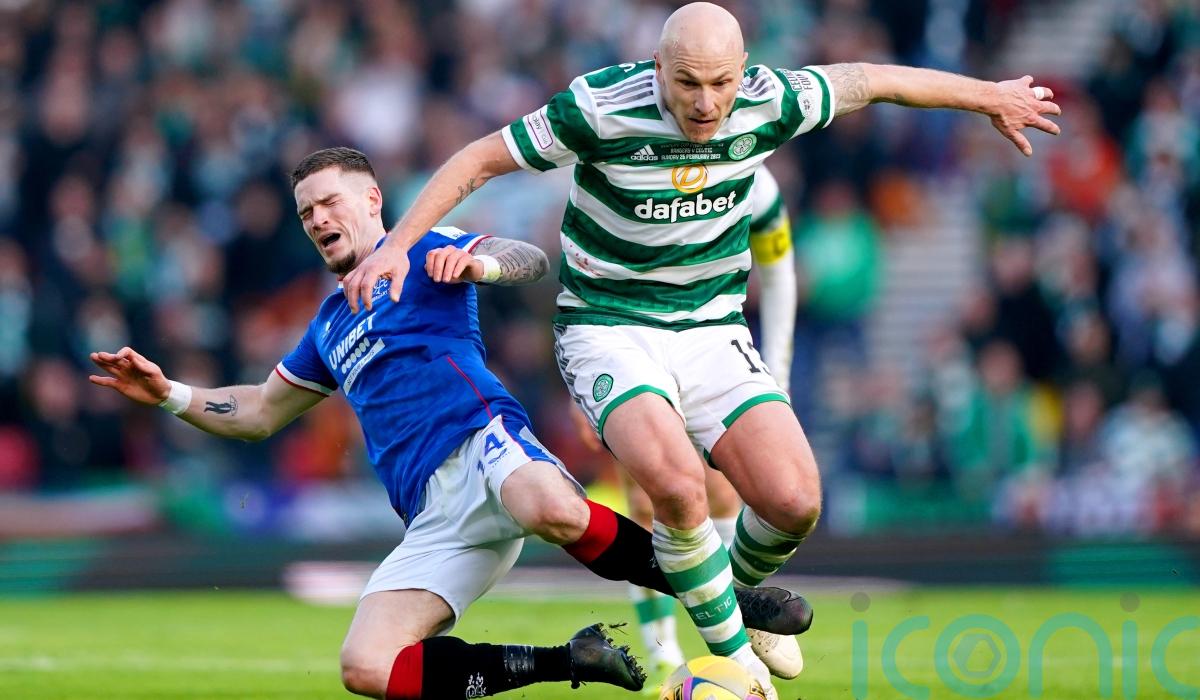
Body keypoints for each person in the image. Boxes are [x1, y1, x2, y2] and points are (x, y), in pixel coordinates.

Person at [338, 3, 1060, 694]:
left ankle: (735, 597)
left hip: (713, 329)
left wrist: (989, 96)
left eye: (721, 83)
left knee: (794, 501)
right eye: (687, 82)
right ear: (657, 68)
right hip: (607, 327)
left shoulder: (771, 99)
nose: (707, 102)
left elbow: (874, 80)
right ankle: (740, 673)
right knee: (679, 489)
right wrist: (399, 245)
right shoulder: (598, 108)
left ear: (744, 71)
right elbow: (479, 160)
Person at [88, 147, 811, 700]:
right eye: (306, 213)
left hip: (485, 442)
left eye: (329, 202)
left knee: (551, 505)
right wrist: (168, 393)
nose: (318, 220)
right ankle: (570, 658)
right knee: (366, 667)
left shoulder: (423, 247)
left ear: (372, 200)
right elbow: (256, 412)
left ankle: (730, 599)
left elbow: (526, 258)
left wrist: (478, 270)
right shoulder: (328, 325)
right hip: (432, 515)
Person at [600, 165, 797, 687]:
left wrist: (778, 377)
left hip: (710, 352)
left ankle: (739, 610)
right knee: (652, 501)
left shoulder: (755, 180)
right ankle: (663, 653)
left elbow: (779, 271)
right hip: (628, 347)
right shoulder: (628, 160)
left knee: (724, 496)